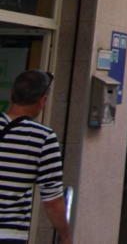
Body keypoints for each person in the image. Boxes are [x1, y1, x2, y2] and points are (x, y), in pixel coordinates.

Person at [0, 70, 72, 243]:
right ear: (42, 100)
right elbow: (53, 200)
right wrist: (66, 236)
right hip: (8, 235)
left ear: (12, 94)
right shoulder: (43, 138)